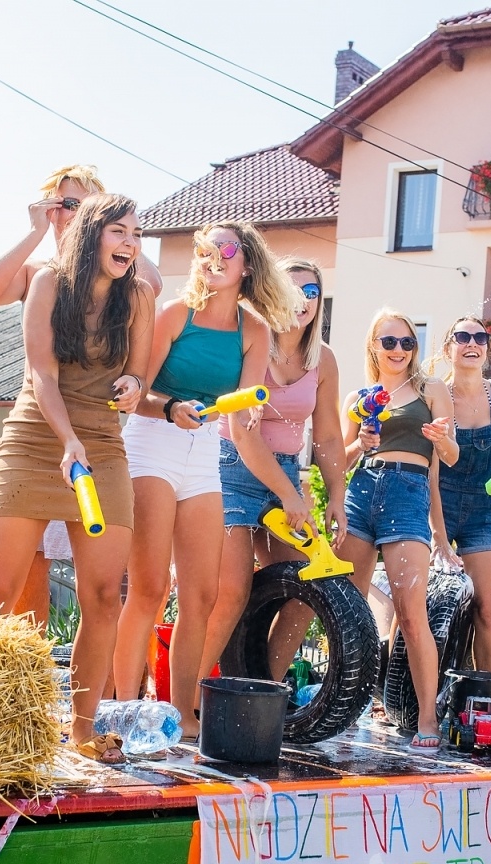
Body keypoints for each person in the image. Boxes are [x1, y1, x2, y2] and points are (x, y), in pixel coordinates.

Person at [0, 194, 154, 763]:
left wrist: (133, 389)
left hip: (102, 443)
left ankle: (80, 732)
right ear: (92, 234)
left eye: (135, 234)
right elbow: (42, 375)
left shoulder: (140, 298)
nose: (128, 243)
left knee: (103, 596)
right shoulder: (49, 284)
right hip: (35, 438)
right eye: (118, 231)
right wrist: (66, 438)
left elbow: (139, 375)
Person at [113, 221, 298, 736]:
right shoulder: (175, 314)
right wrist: (171, 407)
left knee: (201, 597)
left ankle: (182, 716)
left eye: (225, 250)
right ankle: (127, 711)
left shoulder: (254, 331)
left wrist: (251, 420)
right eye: (204, 250)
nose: (212, 257)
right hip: (151, 444)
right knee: (148, 589)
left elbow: (240, 421)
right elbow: (136, 395)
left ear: (247, 264)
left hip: (204, 454)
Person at [0, 164, 164, 626]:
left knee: (94, 589)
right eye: (61, 205)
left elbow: (150, 284)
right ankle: (23, 682)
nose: (66, 214)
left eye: (79, 205)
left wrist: (118, 230)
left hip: (96, 443)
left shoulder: (127, 285)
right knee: (21, 584)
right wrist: (37, 230)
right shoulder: (40, 274)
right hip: (39, 427)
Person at [203, 257, 348, 681]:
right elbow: (242, 433)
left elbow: (328, 437)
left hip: (282, 471)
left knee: (307, 586)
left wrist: (335, 496)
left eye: (311, 292)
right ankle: (185, 703)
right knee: (231, 592)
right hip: (229, 468)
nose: (302, 301)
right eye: (293, 290)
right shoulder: (249, 341)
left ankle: (259, 692)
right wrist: (289, 494)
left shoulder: (323, 359)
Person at [338, 309, 458, 749]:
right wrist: (359, 443)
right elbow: (335, 462)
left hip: (408, 492)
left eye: (408, 342)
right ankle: (346, 707)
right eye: (390, 342)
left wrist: (441, 437)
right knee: (349, 612)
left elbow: (450, 457)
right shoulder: (359, 395)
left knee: (411, 613)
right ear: (374, 345)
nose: (399, 350)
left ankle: (427, 718)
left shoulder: (432, 390)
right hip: (362, 490)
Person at [431, 317, 491, 671]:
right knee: (421, 599)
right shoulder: (435, 394)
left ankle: (484, 696)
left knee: (486, 606)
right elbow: (430, 470)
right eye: (462, 335)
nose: (472, 342)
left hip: (483, 507)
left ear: (487, 348)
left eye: (480, 337)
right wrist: (437, 533)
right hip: (441, 502)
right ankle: (393, 691)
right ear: (448, 347)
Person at [0, 164, 162, 307]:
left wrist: (124, 232)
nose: (82, 214)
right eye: (72, 204)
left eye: (91, 206)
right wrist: (36, 231)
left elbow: (152, 286)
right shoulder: (34, 272)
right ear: (50, 209)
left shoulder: (110, 272)